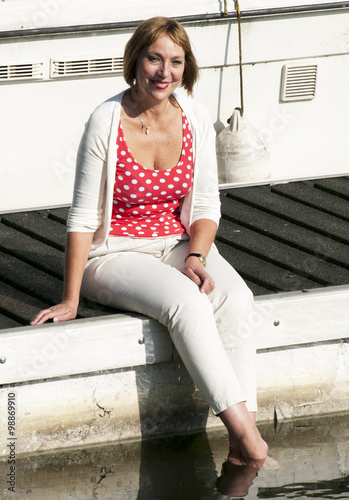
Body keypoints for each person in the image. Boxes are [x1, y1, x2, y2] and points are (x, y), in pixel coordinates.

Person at [31, 16, 268, 468]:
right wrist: (70, 298)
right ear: (136, 60)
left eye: (176, 61)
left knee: (237, 298)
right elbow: (82, 218)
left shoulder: (194, 117)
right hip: (114, 252)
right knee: (188, 302)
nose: (165, 71)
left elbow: (205, 207)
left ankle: (244, 438)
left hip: (178, 243)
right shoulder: (106, 120)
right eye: (154, 58)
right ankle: (251, 443)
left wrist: (196, 255)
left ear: (186, 67)